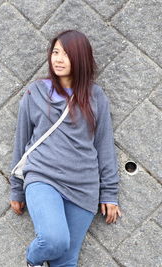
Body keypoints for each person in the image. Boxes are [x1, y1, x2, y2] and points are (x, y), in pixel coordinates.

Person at [9, 29, 122, 267]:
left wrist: (109, 193)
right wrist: (16, 189)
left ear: (80, 58)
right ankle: (32, 262)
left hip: (83, 187)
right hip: (43, 177)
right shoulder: (36, 93)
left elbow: (104, 145)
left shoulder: (95, 97)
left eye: (66, 54)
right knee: (53, 240)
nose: (58, 59)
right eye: (55, 52)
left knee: (66, 260)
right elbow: (21, 140)